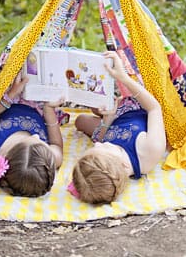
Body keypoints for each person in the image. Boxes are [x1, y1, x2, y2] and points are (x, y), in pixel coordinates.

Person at [70, 51, 166, 204]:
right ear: (124, 166)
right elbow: (154, 108)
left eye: (94, 147)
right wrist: (124, 78)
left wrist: (108, 119)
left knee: (80, 120)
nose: (97, 143)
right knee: (94, 109)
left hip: (115, 118)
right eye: (103, 147)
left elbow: (102, 138)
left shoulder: (112, 162)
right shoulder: (149, 150)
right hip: (139, 104)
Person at [0, 72, 65, 197]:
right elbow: (56, 144)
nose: (36, 136)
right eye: (41, 142)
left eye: (31, 139)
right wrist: (48, 110)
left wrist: (11, 95)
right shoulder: (51, 157)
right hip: (40, 104)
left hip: (5, 96)